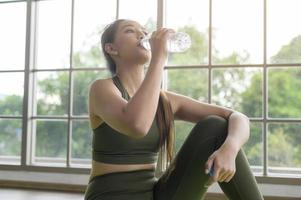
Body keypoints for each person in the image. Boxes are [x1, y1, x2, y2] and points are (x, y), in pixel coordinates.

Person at [84, 18, 264, 200]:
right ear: (111, 48)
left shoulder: (164, 100)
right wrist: (159, 59)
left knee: (215, 126)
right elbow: (137, 125)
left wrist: (230, 148)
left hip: (155, 194)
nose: (142, 34)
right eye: (130, 31)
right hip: (109, 195)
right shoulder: (102, 89)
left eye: (144, 31)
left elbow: (238, 117)